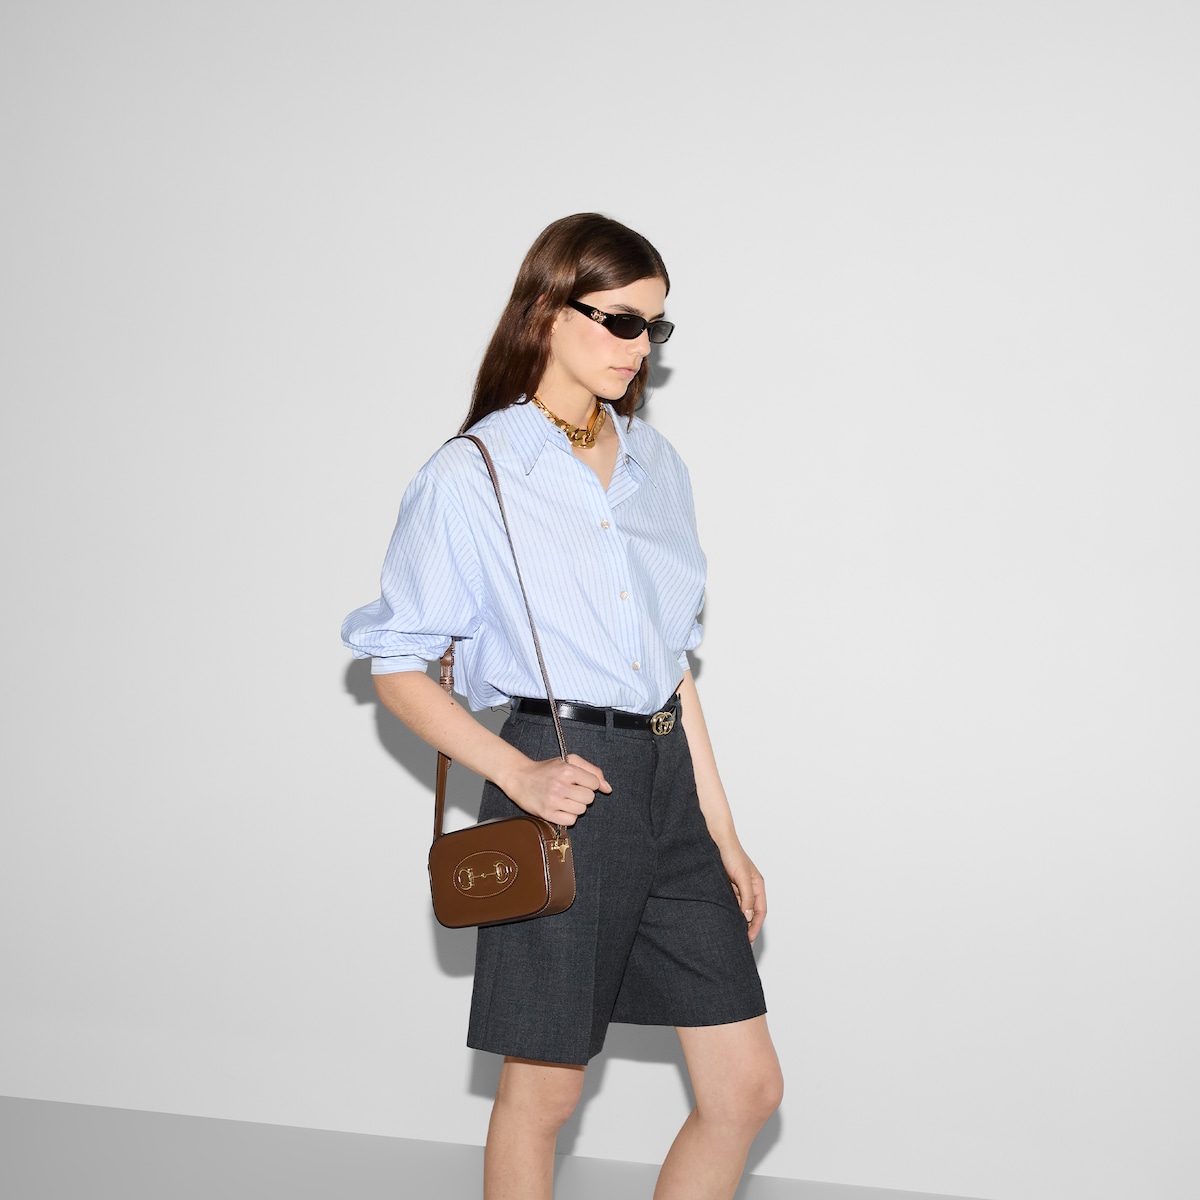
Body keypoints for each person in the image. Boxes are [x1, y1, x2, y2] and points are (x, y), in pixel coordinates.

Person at [342, 213, 782, 1200]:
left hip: (668, 782)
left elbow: (672, 667)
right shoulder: (473, 474)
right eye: (621, 321)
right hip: (562, 777)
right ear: (547, 310)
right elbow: (396, 665)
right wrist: (519, 773)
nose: (641, 347)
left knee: (746, 1088)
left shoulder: (657, 467)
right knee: (543, 1095)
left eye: (655, 327)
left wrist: (723, 833)